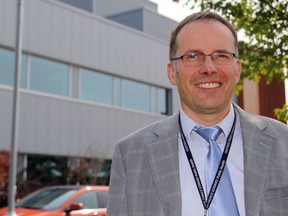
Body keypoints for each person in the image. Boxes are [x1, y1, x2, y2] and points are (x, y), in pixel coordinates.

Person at [107, 11, 288, 216]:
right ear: (172, 73)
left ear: (237, 70)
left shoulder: (284, 142)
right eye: (193, 56)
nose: (209, 68)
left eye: (221, 55)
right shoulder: (130, 154)